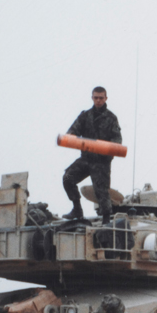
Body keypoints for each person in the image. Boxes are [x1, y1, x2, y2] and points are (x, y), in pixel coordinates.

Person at [62, 86, 122, 225]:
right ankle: (77, 208)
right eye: (96, 97)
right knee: (67, 178)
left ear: (106, 98)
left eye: (101, 98)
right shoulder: (85, 116)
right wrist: (70, 137)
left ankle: (106, 221)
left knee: (102, 192)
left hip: (101, 162)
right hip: (86, 159)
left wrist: (107, 149)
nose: (98, 100)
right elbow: (73, 131)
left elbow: (117, 140)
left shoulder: (111, 118)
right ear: (92, 98)